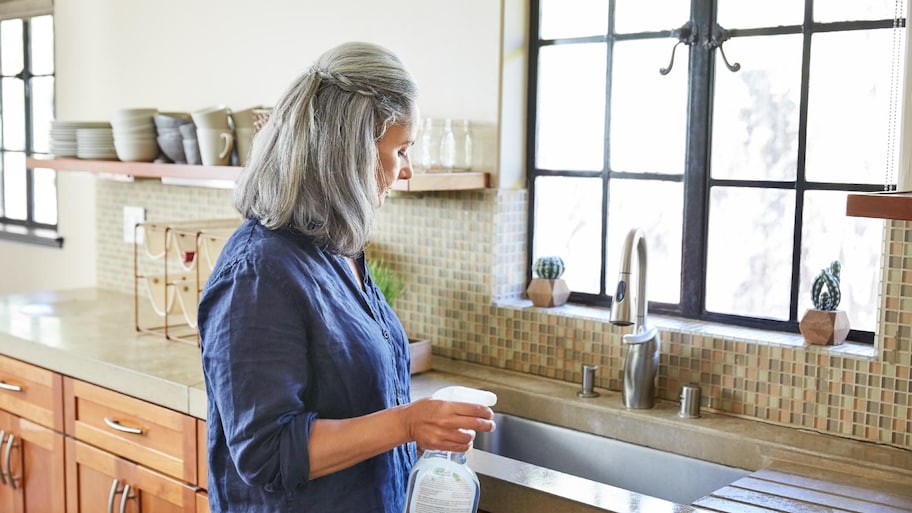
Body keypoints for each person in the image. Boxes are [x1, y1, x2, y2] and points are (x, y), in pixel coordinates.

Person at [198, 41, 495, 513]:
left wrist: (421, 428)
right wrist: (407, 424)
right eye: (400, 150)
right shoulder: (258, 274)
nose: (407, 170)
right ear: (349, 155)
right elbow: (266, 452)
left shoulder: (338, 247)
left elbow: (354, 402)